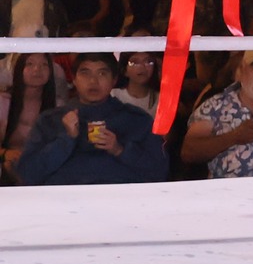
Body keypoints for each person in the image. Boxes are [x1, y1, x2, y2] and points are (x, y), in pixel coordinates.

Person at [15, 52, 167, 185]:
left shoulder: (136, 120)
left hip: (120, 201)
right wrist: (65, 140)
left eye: (102, 74)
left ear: (114, 80)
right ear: (74, 79)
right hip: (64, 202)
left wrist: (120, 150)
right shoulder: (50, 120)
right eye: (85, 73)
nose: (93, 81)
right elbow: (27, 175)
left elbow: (161, 172)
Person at [3, 51, 67, 182]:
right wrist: (5, 153)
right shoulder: (3, 102)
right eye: (30, 64)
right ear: (19, 68)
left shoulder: (58, 106)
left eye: (44, 65)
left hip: (45, 167)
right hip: (9, 165)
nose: (37, 69)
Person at [111, 50, 162, 118]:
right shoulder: (113, 95)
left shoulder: (161, 100)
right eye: (134, 62)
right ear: (125, 70)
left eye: (148, 62)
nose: (142, 67)